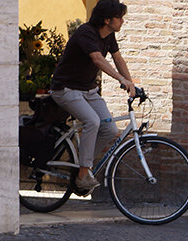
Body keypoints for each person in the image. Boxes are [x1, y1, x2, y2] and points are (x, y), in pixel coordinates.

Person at [50, 0, 137, 196]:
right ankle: (82, 174)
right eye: (119, 17)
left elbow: (117, 58)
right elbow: (98, 59)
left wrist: (131, 84)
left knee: (109, 129)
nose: (122, 21)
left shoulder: (109, 35)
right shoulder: (86, 33)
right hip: (66, 89)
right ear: (107, 19)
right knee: (92, 121)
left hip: (88, 91)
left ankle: (84, 165)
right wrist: (121, 79)